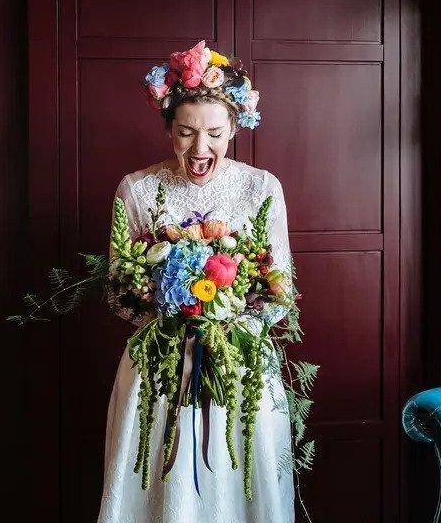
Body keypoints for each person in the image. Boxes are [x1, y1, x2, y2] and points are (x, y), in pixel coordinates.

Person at [97, 41, 294, 522]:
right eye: (186, 133)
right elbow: (119, 295)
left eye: (214, 134)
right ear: (168, 130)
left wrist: (224, 322)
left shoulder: (261, 188)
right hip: (159, 369)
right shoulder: (137, 189)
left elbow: (279, 294)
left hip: (240, 366)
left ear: (234, 129)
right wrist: (170, 312)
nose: (200, 148)